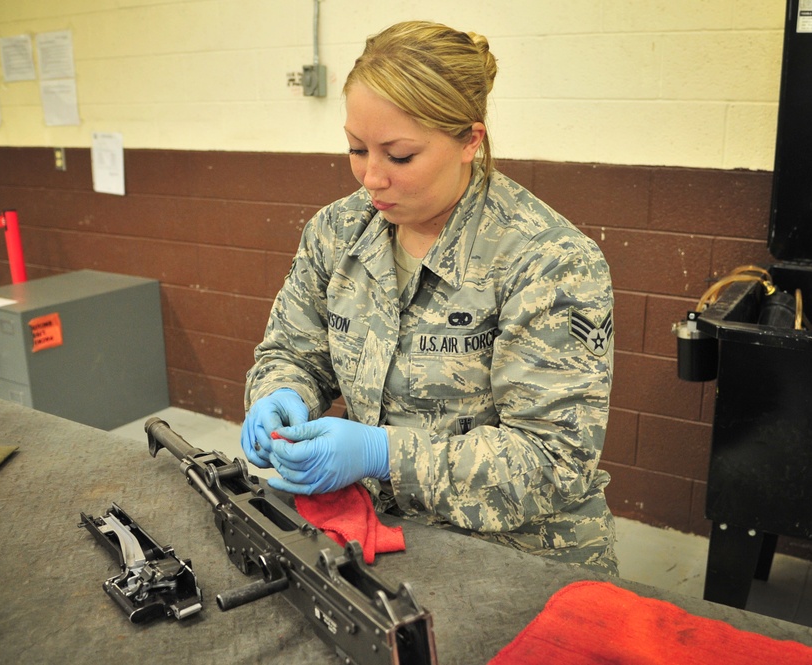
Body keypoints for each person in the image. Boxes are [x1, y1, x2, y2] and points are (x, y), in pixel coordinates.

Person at [240, 20, 617, 574]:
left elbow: (550, 463)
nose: (370, 177)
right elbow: (293, 352)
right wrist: (279, 395)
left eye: (399, 156)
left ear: (470, 139)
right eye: (355, 148)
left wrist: (382, 453)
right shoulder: (338, 231)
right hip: (377, 537)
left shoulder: (548, 261)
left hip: (519, 558)